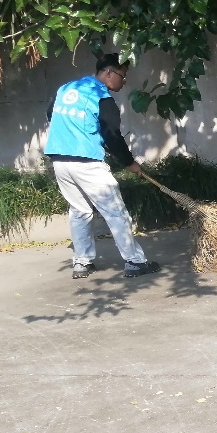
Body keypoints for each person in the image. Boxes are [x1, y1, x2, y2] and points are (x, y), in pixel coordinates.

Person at [44, 54, 161, 279]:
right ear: (109, 72)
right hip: (87, 163)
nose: (124, 82)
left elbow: (52, 114)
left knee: (79, 211)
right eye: (122, 76)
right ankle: (135, 262)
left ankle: (82, 263)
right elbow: (112, 136)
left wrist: (74, 133)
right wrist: (130, 163)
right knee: (115, 212)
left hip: (60, 161)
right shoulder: (102, 97)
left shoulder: (66, 89)